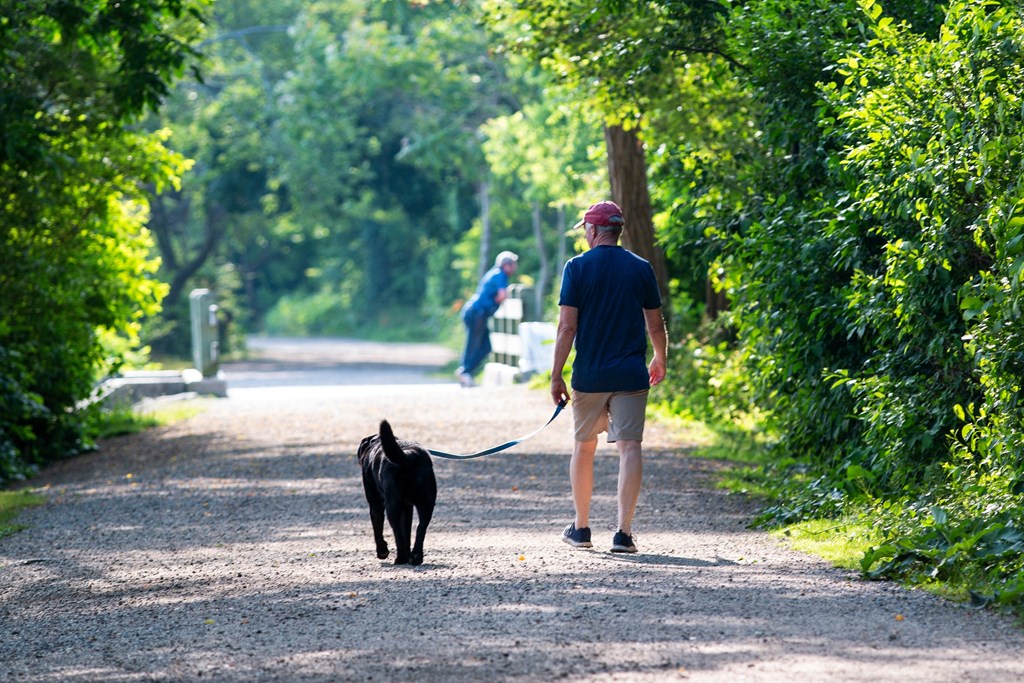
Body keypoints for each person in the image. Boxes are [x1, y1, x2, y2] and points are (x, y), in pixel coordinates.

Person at [550, 200, 667, 554]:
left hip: (589, 375)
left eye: (585, 230)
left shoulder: (577, 267)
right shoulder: (641, 268)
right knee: (630, 447)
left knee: (584, 448)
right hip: (631, 373)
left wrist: (556, 375)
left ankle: (581, 528)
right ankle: (623, 533)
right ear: (616, 231)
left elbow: (567, 326)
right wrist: (660, 358)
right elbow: (655, 323)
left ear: (593, 230)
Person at [456, 250, 519, 387]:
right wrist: (497, 300)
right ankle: (465, 371)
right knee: (474, 343)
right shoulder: (500, 275)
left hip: (475, 312)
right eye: (513, 264)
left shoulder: (494, 273)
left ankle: (466, 371)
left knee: (485, 346)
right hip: (477, 313)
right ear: (506, 265)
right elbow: (503, 295)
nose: (515, 267)